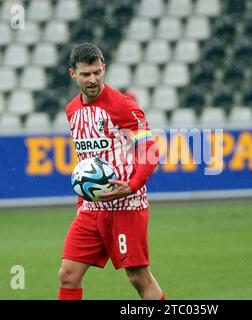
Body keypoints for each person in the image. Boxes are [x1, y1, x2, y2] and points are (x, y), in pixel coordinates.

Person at [58, 42, 165, 300]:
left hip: (126, 205)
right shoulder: (71, 110)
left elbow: (150, 149)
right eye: (86, 74)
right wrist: (84, 197)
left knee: (139, 278)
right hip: (91, 208)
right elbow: (87, 159)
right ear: (73, 73)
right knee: (68, 275)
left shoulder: (123, 105)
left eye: (97, 72)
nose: (93, 79)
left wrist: (133, 184)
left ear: (104, 68)